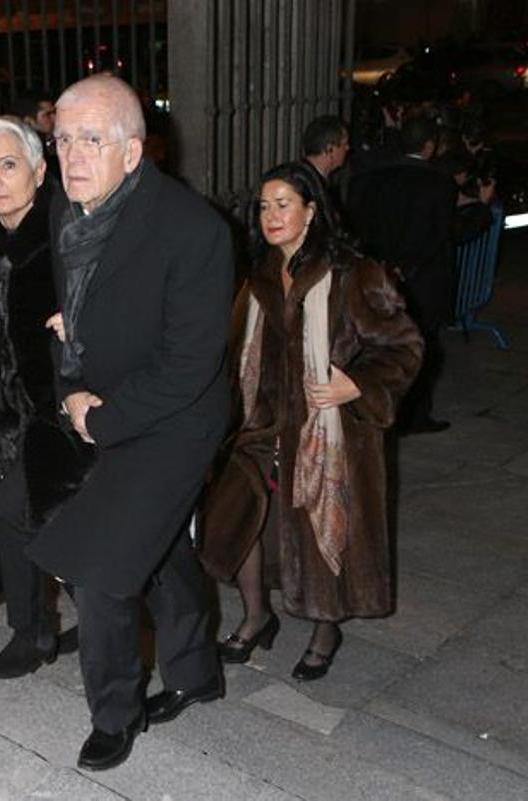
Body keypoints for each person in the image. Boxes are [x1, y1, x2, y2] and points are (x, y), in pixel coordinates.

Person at [25, 75, 234, 771]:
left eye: (92, 140)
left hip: (175, 419)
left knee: (102, 567)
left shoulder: (194, 230)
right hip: (101, 403)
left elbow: (188, 364)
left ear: (134, 151)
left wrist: (100, 418)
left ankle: (115, 712)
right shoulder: (66, 206)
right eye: (62, 139)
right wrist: (71, 391)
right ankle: (196, 670)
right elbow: (69, 315)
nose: (72, 155)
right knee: (158, 545)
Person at [200, 162, 422, 684]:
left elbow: (406, 346)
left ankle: (326, 628)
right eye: (263, 205)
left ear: (311, 210)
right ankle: (257, 616)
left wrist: (360, 384)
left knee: (320, 523)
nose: (270, 215)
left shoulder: (353, 274)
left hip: (327, 431)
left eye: (283, 204)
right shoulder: (255, 278)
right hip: (258, 425)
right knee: (242, 515)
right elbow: (232, 354)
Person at [0, 116, 88, 678]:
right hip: (13, 412)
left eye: (7, 165)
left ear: (39, 170)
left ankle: (35, 632)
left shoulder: (68, 234)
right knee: (32, 516)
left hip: (68, 411)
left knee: (23, 514)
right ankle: (55, 622)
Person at [347, 115, 457, 434]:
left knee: (380, 343)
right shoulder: (441, 183)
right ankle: (415, 416)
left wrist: (384, 265)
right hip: (421, 279)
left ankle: (380, 407)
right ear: (429, 146)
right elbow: (438, 235)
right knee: (421, 346)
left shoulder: (372, 178)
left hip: (380, 275)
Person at [12, 92, 59, 182]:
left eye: (54, 112)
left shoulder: (46, 141)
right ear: (28, 121)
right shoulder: (26, 152)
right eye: (47, 114)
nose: (54, 118)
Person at [301, 115, 351, 183]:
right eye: (344, 144)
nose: (347, 148)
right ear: (329, 149)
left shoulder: (314, 177)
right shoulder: (302, 182)